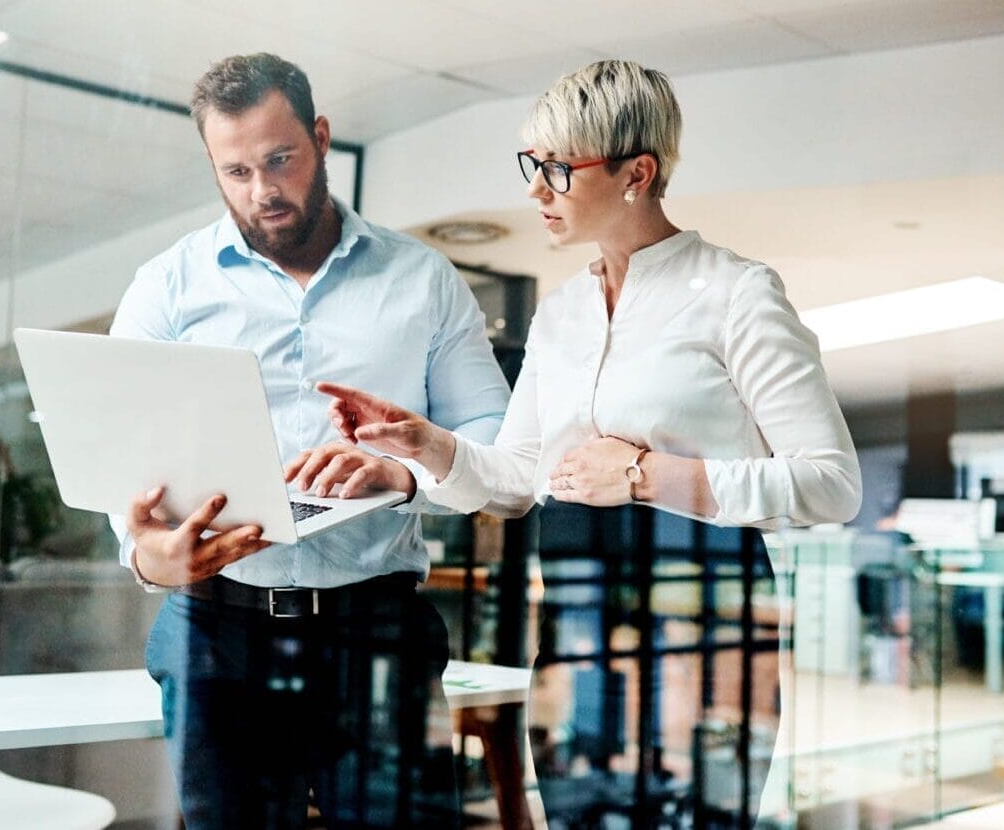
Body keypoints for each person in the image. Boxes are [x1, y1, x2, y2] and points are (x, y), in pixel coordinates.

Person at [289, 60, 861, 826]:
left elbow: (831, 484)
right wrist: (425, 444)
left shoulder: (737, 293)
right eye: (532, 165)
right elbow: (518, 478)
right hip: (575, 614)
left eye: (558, 168)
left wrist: (643, 474)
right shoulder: (561, 313)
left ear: (637, 174)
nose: (537, 190)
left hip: (703, 621)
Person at [110, 53, 511, 828]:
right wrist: (146, 554)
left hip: (376, 628)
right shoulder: (166, 286)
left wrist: (403, 470)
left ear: (321, 138)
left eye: (280, 160)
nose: (261, 190)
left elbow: (493, 445)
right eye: (235, 172)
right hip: (212, 630)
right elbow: (122, 449)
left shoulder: (423, 280)